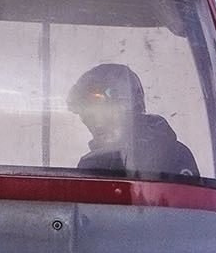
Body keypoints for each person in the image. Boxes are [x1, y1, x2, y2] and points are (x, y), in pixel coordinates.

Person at [68, 62, 199, 178]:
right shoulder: (92, 164)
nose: (94, 124)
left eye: (102, 114)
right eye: (87, 117)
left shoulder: (173, 156)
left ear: (129, 108)